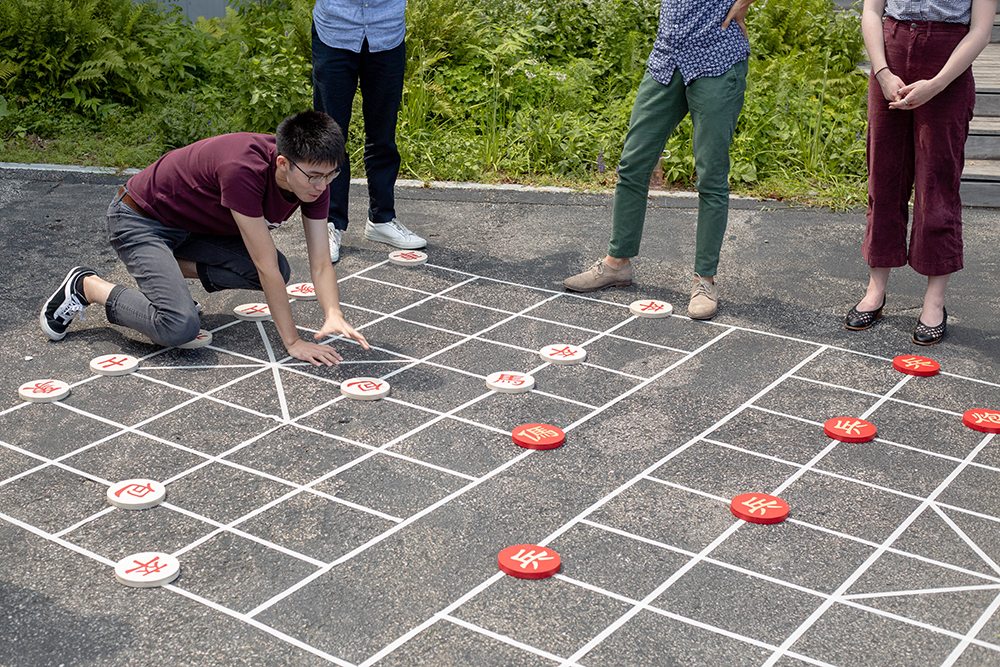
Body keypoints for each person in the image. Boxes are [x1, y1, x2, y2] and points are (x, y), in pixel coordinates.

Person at [40, 110, 369, 366]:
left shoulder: (315, 181)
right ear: (283, 164)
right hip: (138, 220)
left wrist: (333, 312)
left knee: (281, 272)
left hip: (190, 230)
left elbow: (321, 261)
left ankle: (164, 277)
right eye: (314, 176)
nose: (322, 185)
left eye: (331, 174)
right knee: (178, 326)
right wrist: (294, 342)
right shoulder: (244, 169)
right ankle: (87, 285)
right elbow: (264, 265)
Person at [562, 0, 755, 320]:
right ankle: (617, 264)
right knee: (633, 163)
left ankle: (704, 281)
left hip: (717, 58)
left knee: (710, 175)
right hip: (668, 56)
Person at [846, 0, 996, 345]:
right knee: (883, 179)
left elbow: (981, 30)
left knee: (936, 184)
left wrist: (938, 83)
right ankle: (876, 289)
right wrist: (881, 72)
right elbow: (872, 11)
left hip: (948, 62)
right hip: (891, 56)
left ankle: (934, 301)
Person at [311, 0, 425, 263]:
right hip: (335, 29)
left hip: (387, 30)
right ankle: (330, 223)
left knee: (383, 135)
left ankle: (382, 218)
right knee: (330, 137)